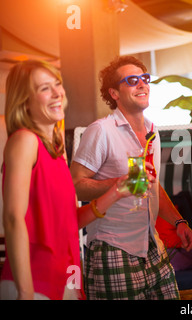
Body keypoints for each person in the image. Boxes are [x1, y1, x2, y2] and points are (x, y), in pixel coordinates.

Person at [0, 60, 131, 300]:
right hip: (34, 283)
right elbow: (12, 218)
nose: (56, 93)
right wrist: (25, 292)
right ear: (24, 100)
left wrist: (118, 190)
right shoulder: (24, 141)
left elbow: (70, 221)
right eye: (43, 88)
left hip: (66, 278)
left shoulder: (57, 149)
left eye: (57, 84)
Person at [70, 56, 192, 300]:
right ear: (114, 93)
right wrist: (119, 184)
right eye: (131, 81)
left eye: (144, 79)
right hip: (113, 247)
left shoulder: (152, 131)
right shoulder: (101, 130)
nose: (142, 84)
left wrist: (179, 222)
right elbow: (75, 185)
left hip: (152, 244)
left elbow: (152, 184)